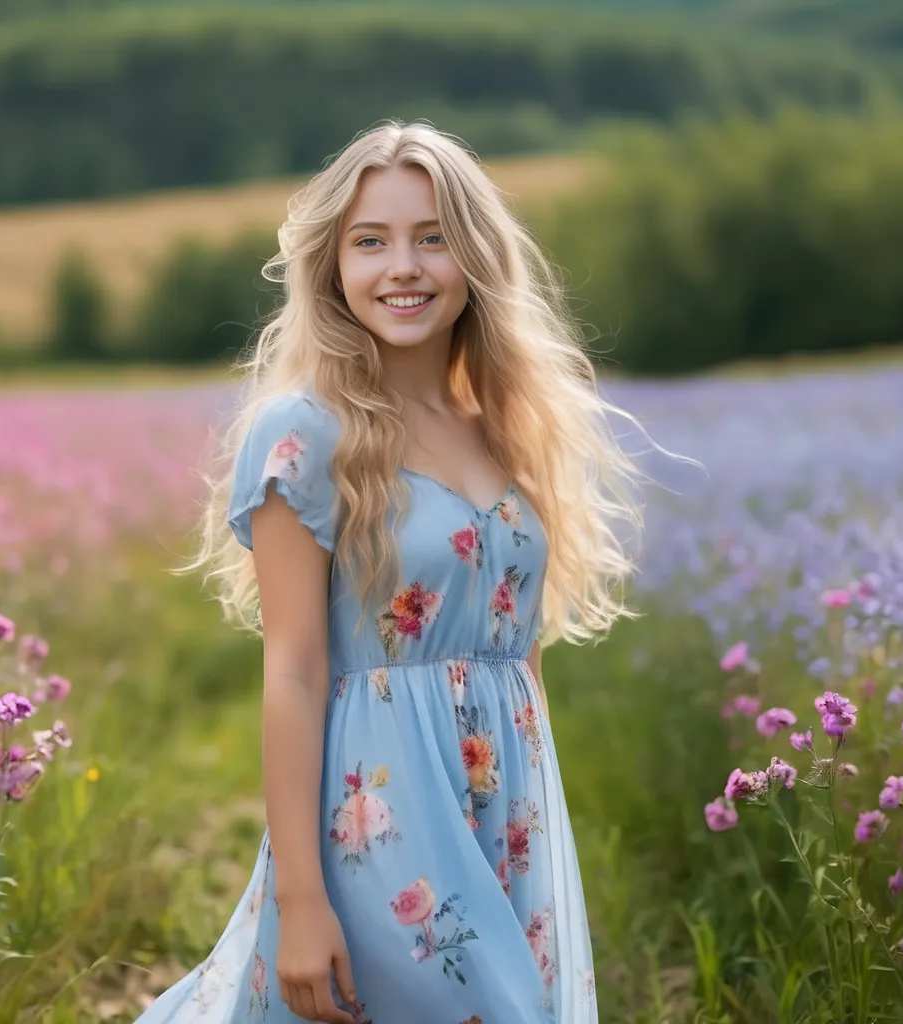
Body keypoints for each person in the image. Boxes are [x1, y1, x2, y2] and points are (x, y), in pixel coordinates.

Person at [135, 120, 647, 1024]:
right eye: (370, 241)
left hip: (511, 806)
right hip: (381, 813)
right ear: (332, 265)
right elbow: (292, 670)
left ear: (476, 255)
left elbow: (516, 654)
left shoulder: (505, 425)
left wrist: (531, 844)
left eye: (432, 237)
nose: (401, 266)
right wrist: (301, 901)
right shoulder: (305, 434)